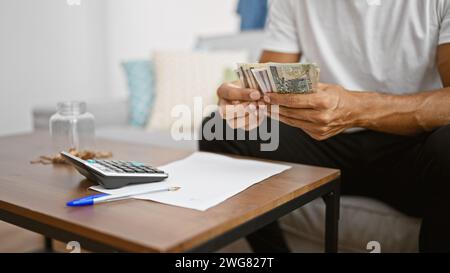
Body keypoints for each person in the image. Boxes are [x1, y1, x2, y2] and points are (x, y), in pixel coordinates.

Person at [199, 0, 450, 253]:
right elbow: (267, 84)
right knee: (222, 128)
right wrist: (243, 99)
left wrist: (358, 109)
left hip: (412, 147)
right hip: (326, 141)